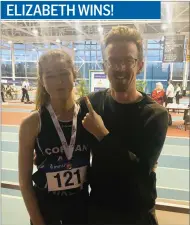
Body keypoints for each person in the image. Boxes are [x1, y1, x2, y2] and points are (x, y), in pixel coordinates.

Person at [80, 26, 168, 224]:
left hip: (136, 214)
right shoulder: (90, 104)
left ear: (140, 65)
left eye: (128, 60)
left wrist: (103, 135)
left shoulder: (155, 115)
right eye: (113, 61)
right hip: (99, 212)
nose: (119, 68)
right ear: (104, 66)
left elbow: (138, 172)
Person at [18, 49, 90, 225]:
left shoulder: (88, 117)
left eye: (64, 74)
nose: (59, 81)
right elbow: (25, 182)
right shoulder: (32, 123)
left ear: (74, 75)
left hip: (81, 207)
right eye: (50, 76)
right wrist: (37, 221)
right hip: (46, 209)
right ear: (42, 81)